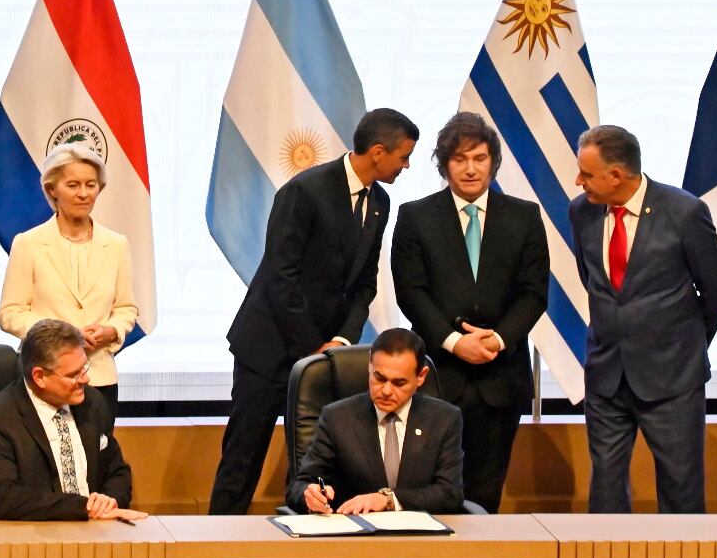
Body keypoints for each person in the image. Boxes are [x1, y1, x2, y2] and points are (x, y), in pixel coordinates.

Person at [208, 108, 420, 515]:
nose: (406, 166)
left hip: (325, 356)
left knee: (312, 467)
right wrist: (313, 346)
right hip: (269, 349)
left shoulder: (380, 202)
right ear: (378, 152)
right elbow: (280, 276)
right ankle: (217, 539)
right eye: (404, 156)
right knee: (242, 458)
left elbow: (365, 283)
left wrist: (339, 342)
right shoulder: (306, 190)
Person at [391, 112, 549, 512]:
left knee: (485, 494)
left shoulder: (525, 216)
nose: (470, 169)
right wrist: (454, 342)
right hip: (438, 374)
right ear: (444, 164)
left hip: (501, 375)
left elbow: (533, 293)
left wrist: (497, 339)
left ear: (493, 162)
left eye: (479, 158)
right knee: (429, 490)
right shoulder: (415, 216)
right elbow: (411, 292)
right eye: (460, 159)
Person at [569, 124, 717, 514]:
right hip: (607, 375)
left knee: (680, 488)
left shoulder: (685, 212)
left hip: (672, 379)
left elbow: (716, 290)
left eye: (587, 174)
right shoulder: (581, 211)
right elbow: (593, 281)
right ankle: (606, 555)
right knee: (606, 487)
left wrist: (684, 346)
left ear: (616, 175)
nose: (578, 182)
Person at [0, 143, 139, 415]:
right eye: (73, 185)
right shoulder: (28, 243)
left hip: (99, 378)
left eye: (91, 185)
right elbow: (9, 313)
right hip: (44, 379)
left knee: (99, 443)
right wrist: (61, 335)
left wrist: (112, 330)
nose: (84, 193)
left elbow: (126, 308)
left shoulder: (116, 244)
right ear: (52, 190)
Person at [0, 319, 146, 522]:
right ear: (39, 376)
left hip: (98, 528)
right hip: (35, 534)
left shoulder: (92, 403)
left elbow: (117, 472)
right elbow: (2, 498)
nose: (85, 379)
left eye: (84, 368)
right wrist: (83, 508)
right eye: (74, 374)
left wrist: (108, 502)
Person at [286, 328, 466, 515]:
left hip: (419, 531)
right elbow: (298, 486)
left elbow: (450, 494)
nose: (386, 391)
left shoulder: (444, 419)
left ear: (421, 376)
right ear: (369, 367)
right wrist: (309, 496)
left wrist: (388, 499)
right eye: (379, 378)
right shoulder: (337, 418)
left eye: (399, 382)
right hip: (355, 528)